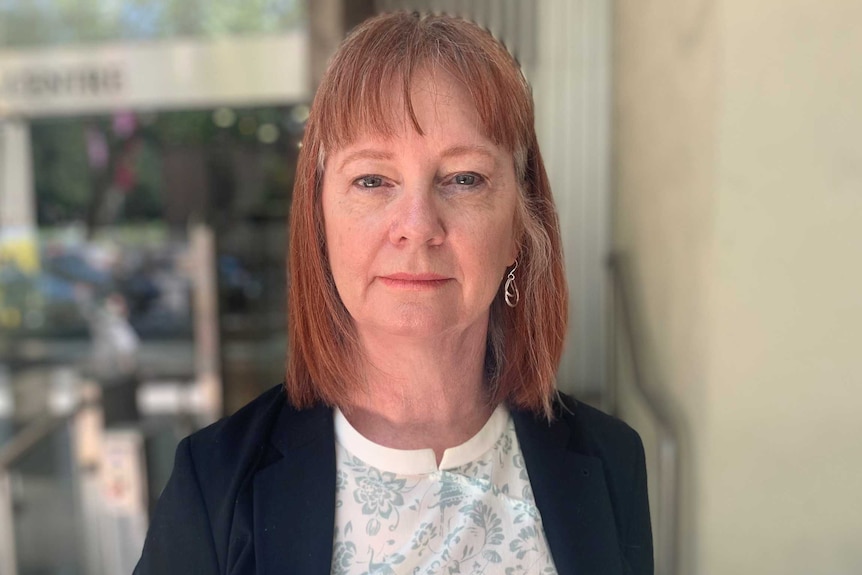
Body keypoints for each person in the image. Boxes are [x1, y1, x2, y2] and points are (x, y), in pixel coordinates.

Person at [135, 11, 652, 575]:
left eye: (464, 179)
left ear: (519, 230)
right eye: (373, 180)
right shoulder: (212, 486)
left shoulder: (609, 461)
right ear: (320, 222)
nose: (417, 224)